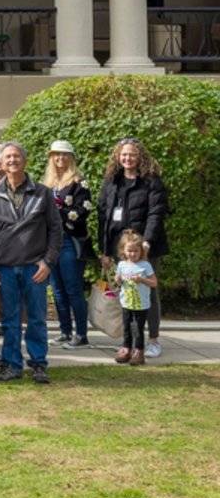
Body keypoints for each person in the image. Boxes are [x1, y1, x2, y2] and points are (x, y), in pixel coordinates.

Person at [0, 142, 61, 384]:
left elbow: (56, 230)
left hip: (34, 268)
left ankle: (38, 364)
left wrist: (48, 262)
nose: (13, 161)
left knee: (36, 318)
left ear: (25, 161)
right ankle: (12, 365)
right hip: (4, 268)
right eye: (8, 158)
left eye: (17, 156)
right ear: (1, 164)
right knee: (10, 320)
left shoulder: (42, 192)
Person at [97, 137, 169, 359]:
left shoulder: (151, 181)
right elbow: (103, 216)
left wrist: (146, 241)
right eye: (124, 154)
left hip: (144, 247)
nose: (127, 158)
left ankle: (153, 340)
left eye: (132, 155)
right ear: (118, 157)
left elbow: (156, 213)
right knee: (126, 293)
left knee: (148, 292)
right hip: (120, 248)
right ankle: (129, 341)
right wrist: (105, 251)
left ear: (140, 157)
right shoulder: (112, 181)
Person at [41, 138, 93, 349]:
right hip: (50, 244)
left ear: (71, 158)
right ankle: (65, 331)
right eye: (56, 155)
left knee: (73, 289)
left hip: (70, 241)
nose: (59, 158)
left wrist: (54, 213)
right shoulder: (47, 185)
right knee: (58, 290)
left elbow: (82, 212)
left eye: (64, 154)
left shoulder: (79, 183)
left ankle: (81, 335)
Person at [114, 230, 157, 365]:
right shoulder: (121, 265)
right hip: (126, 303)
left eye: (136, 251)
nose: (132, 254)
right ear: (123, 250)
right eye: (129, 251)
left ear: (141, 251)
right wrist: (118, 279)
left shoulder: (145, 265)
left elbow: (154, 283)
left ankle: (139, 350)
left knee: (138, 328)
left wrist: (142, 280)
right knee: (126, 327)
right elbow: (118, 282)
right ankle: (126, 348)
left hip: (141, 304)